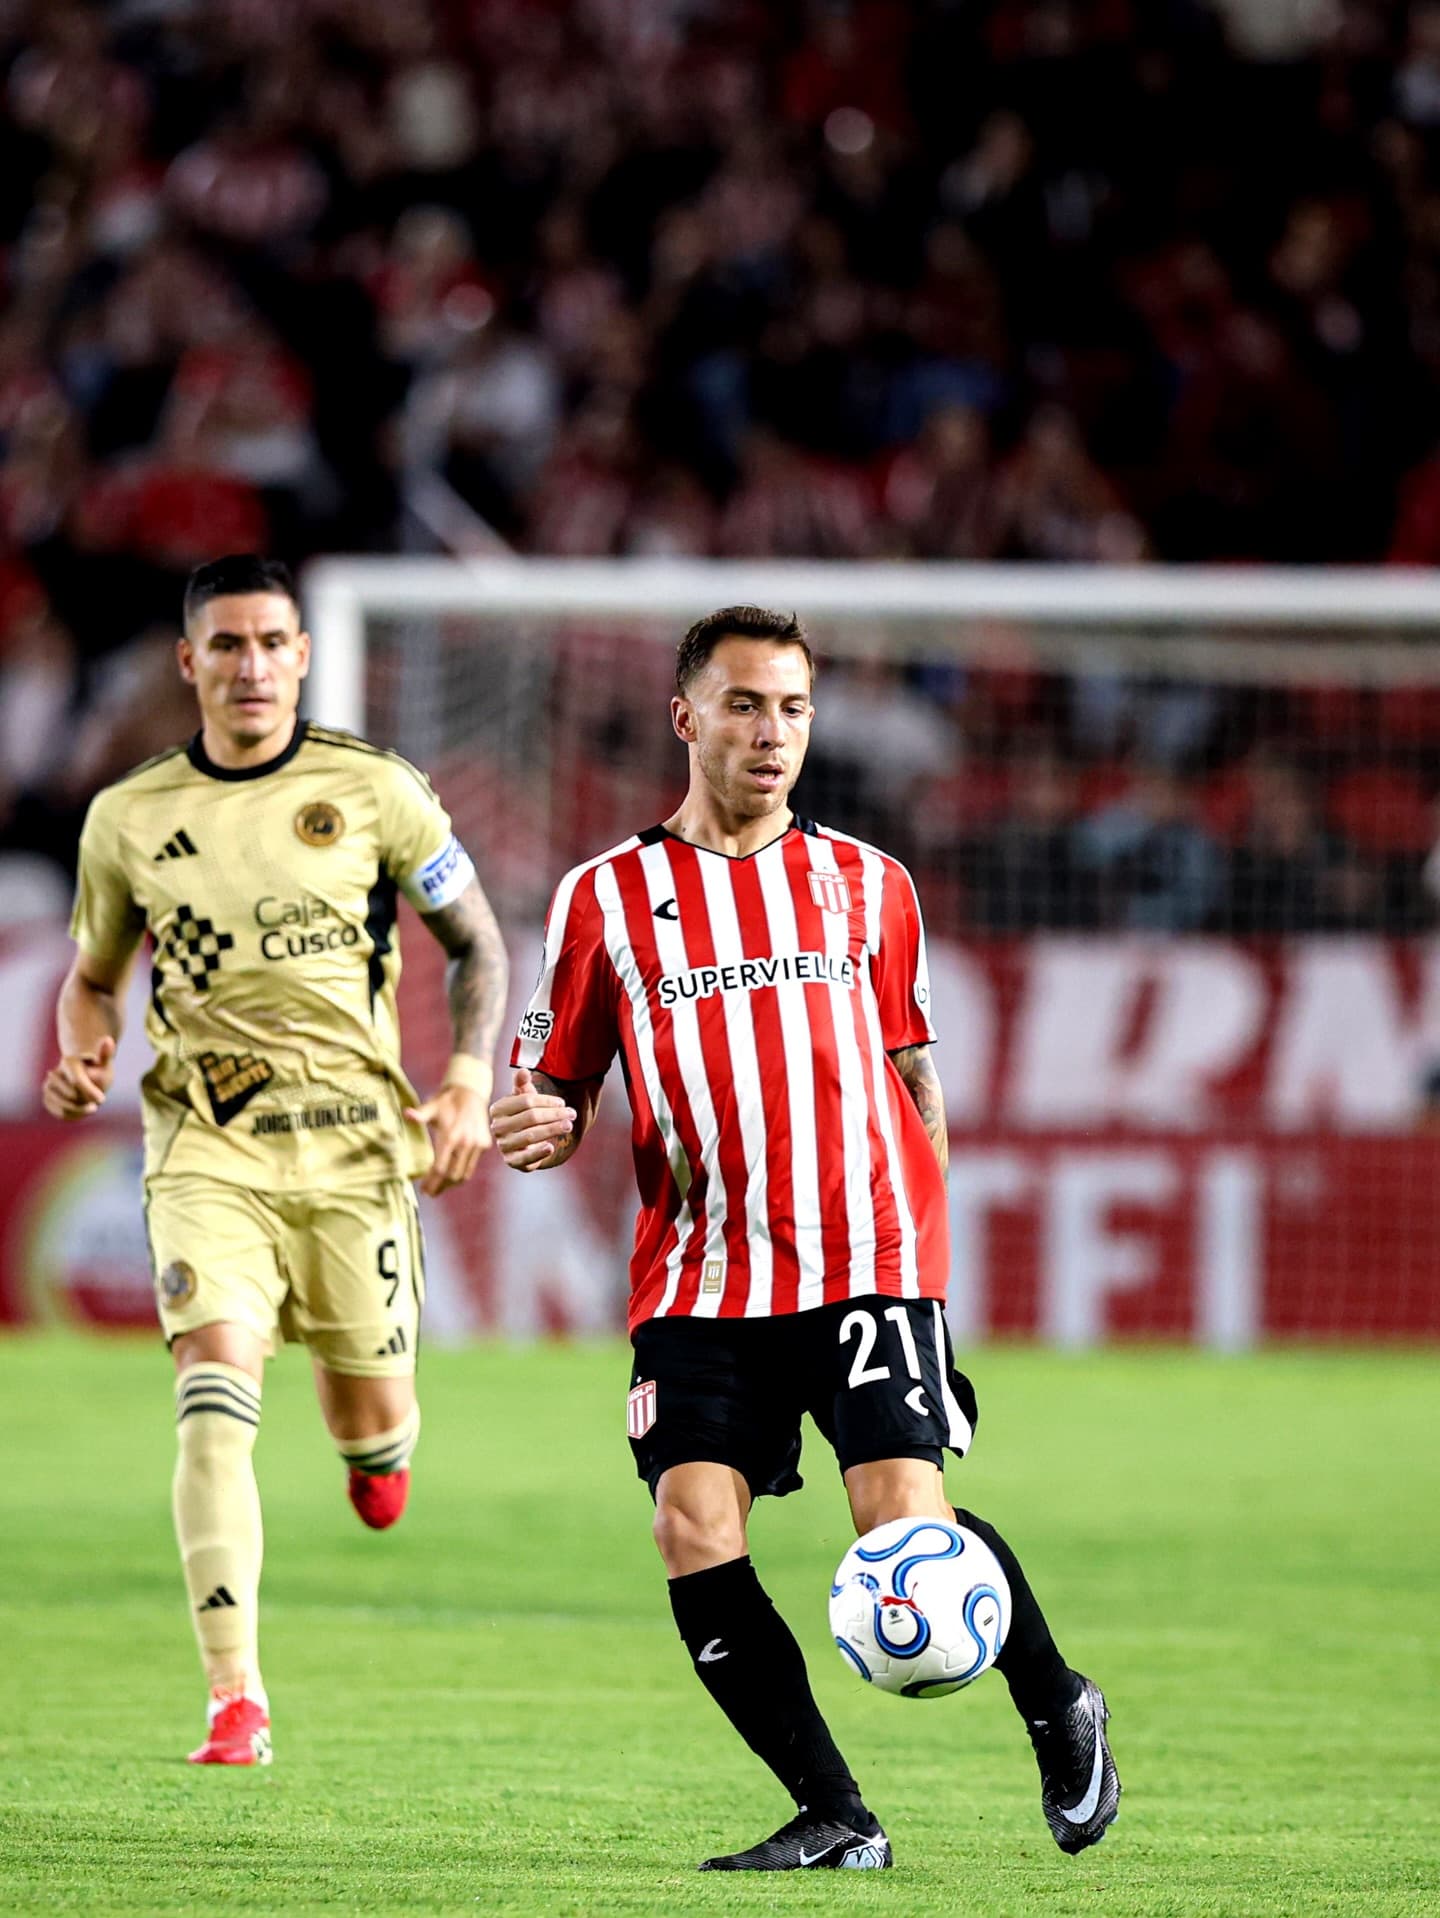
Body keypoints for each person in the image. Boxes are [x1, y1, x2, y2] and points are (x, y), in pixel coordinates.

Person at [489, 606, 1119, 1872]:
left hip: (865, 1262)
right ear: (686, 717)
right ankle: (839, 1814)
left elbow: (912, 1069)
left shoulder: (870, 884)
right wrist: (543, 1124)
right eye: (743, 705)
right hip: (699, 1272)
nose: (772, 732)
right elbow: (560, 1079)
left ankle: (1057, 1699)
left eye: (792, 708)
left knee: (900, 1526)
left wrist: (922, 1248)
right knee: (692, 1526)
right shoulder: (605, 897)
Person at [42, 554, 508, 1767]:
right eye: (228, 645)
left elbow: (476, 948)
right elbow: (89, 982)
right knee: (211, 1400)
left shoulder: (373, 789)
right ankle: (234, 1696)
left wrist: (465, 1081)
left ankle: (374, 1452)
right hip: (205, 1152)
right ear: (189, 663)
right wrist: (83, 1053)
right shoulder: (130, 818)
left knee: (376, 1433)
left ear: (303, 654)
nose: (252, 666)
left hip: (358, 1158)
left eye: (272, 643)